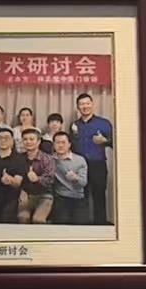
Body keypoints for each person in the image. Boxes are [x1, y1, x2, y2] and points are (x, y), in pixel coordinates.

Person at [69, 92, 114, 225]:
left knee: (99, 195)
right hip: (79, 166)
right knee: (81, 196)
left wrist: (105, 141)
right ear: (78, 107)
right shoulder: (74, 125)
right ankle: (82, 226)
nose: (85, 106)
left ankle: (100, 225)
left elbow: (116, 143)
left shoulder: (104, 123)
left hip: (97, 165)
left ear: (92, 104)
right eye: (82, 104)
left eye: (87, 103)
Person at [0, 126, 28, 222]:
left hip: (11, 197)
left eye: (6, 138)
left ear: (12, 140)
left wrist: (11, 180)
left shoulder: (19, 159)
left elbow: (18, 183)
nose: (3, 140)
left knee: (6, 216)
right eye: (0, 138)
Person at [49, 130, 89, 224]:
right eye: (57, 142)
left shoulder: (80, 160)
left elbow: (83, 183)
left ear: (69, 144)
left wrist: (75, 178)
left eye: (63, 142)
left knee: (80, 225)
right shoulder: (50, 160)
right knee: (62, 223)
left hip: (78, 198)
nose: (60, 145)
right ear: (54, 145)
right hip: (60, 197)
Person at [18, 127, 57, 224]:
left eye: (31, 139)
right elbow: (18, 177)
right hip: (27, 195)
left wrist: (37, 179)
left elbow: (50, 179)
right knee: (22, 217)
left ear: (38, 141)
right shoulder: (19, 158)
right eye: (25, 139)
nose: (28, 142)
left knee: (38, 220)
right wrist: (21, 190)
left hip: (45, 195)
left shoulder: (47, 158)